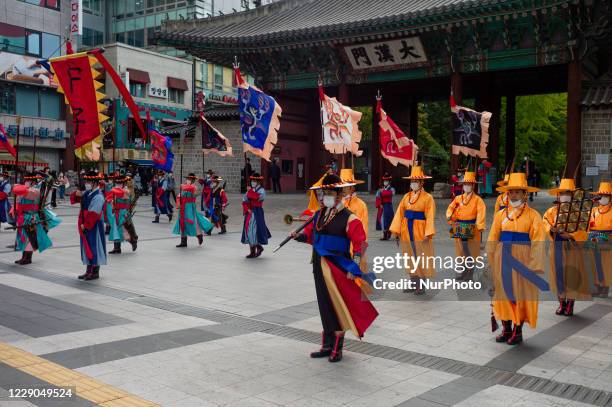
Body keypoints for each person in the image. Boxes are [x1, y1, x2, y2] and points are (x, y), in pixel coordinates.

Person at [291, 173, 378, 362]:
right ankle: (327, 344)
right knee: (324, 304)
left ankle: (337, 348)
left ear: (339, 195)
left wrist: (353, 268)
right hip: (319, 265)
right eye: (324, 193)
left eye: (329, 193)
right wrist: (299, 237)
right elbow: (313, 237)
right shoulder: (320, 215)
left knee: (337, 304)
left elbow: (360, 244)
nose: (325, 197)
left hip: (338, 267)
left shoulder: (350, 218)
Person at [487, 172, 547, 345]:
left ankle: (518, 330)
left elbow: (538, 240)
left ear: (525, 194)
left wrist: (534, 264)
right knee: (502, 292)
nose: (513, 195)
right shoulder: (500, 215)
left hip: (522, 260)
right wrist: (489, 258)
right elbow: (493, 237)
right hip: (501, 257)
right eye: (511, 191)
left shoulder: (533, 215)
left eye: (517, 192)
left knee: (519, 293)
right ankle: (506, 328)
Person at [543, 177, 590, 316]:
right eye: (562, 193)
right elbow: (544, 222)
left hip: (572, 246)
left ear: (573, 195)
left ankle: (570, 303)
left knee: (571, 274)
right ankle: (561, 303)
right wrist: (552, 229)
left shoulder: (579, 212)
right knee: (557, 274)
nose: (565, 196)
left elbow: (585, 231)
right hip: (556, 245)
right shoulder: (551, 211)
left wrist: (571, 236)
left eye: (568, 193)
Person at [390, 165, 436, 294]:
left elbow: (430, 216)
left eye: (416, 181)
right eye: (412, 181)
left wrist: (428, 232)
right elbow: (400, 213)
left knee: (420, 255)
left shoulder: (428, 198)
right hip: (406, 229)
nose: (413, 184)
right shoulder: (406, 196)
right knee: (409, 256)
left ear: (421, 183)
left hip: (420, 230)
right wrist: (396, 231)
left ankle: (421, 285)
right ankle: (413, 281)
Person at [13, 173, 61, 265]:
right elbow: (19, 196)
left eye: (27, 181)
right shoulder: (26, 190)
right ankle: (24, 256)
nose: (25, 182)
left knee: (30, 238)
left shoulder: (35, 191)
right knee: (24, 238)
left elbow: (24, 192)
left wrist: (19, 188)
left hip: (31, 217)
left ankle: (28, 258)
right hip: (23, 216)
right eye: (25, 181)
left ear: (32, 182)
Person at [446, 171, 486, 281]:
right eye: (465, 184)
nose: (466, 186)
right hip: (459, 224)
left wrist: (479, 225)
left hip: (471, 225)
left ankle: (470, 273)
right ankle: (464, 272)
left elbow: (481, 213)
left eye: (469, 184)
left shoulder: (478, 200)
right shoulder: (458, 198)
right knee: (461, 250)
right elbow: (451, 208)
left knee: (469, 250)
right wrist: (450, 216)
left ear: (473, 186)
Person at [74, 171, 106, 281]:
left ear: (94, 183)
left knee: (94, 246)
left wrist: (86, 225)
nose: (87, 183)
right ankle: (88, 269)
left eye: (89, 181)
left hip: (94, 224)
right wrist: (78, 191)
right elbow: (78, 198)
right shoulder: (88, 193)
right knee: (87, 246)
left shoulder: (99, 196)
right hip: (85, 221)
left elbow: (94, 213)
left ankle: (95, 271)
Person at [173, 173, 213, 247]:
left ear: (193, 180)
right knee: (182, 222)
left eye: (190, 179)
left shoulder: (194, 187)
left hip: (190, 206)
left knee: (192, 221)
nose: (188, 180)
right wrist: (179, 201)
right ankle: (183, 241)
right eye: (187, 179)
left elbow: (195, 194)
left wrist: (188, 187)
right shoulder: (183, 187)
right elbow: (180, 195)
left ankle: (199, 235)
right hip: (183, 206)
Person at [588, 181, 611, 298]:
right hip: (593, 239)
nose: (603, 198)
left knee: (605, 264)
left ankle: (605, 287)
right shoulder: (593, 210)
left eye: (606, 196)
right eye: (601, 196)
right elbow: (587, 225)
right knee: (595, 264)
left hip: (608, 240)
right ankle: (597, 286)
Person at [241, 172, 271, 258]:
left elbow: (258, 197)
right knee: (248, 230)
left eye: (254, 181)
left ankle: (255, 249)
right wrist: (247, 209)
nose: (252, 182)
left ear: (258, 182)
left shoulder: (262, 190)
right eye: (252, 180)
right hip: (250, 212)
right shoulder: (250, 190)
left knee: (253, 231)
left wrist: (249, 191)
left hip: (257, 212)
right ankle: (255, 249)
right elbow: (244, 201)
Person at [108, 175, 139, 254]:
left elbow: (127, 201)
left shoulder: (126, 191)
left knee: (124, 230)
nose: (118, 184)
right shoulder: (116, 190)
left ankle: (133, 241)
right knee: (116, 230)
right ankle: (117, 248)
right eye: (117, 182)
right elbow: (111, 198)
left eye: (120, 182)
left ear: (123, 183)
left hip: (123, 212)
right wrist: (111, 201)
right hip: (116, 212)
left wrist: (125, 211)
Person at [340, 168, 368, 238]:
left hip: (353, 243)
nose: (342, 189)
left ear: (352, 187)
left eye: (345, 186)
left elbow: (363, 227)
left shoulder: (361, 205)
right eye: (341, 186)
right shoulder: (335, 203)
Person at [375, 173, 395, 241]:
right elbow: (377, 197)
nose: (385, 182)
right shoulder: (381, 189)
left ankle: (389, 233)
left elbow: (390, 194)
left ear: (389, 182)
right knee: (382, 220)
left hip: (388, 206)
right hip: (382, 206)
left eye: (386, 181)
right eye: (384, 181)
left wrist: (382, 192)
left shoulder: (392, 189)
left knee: (389, 220)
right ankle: (384, 235)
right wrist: (379, 204)